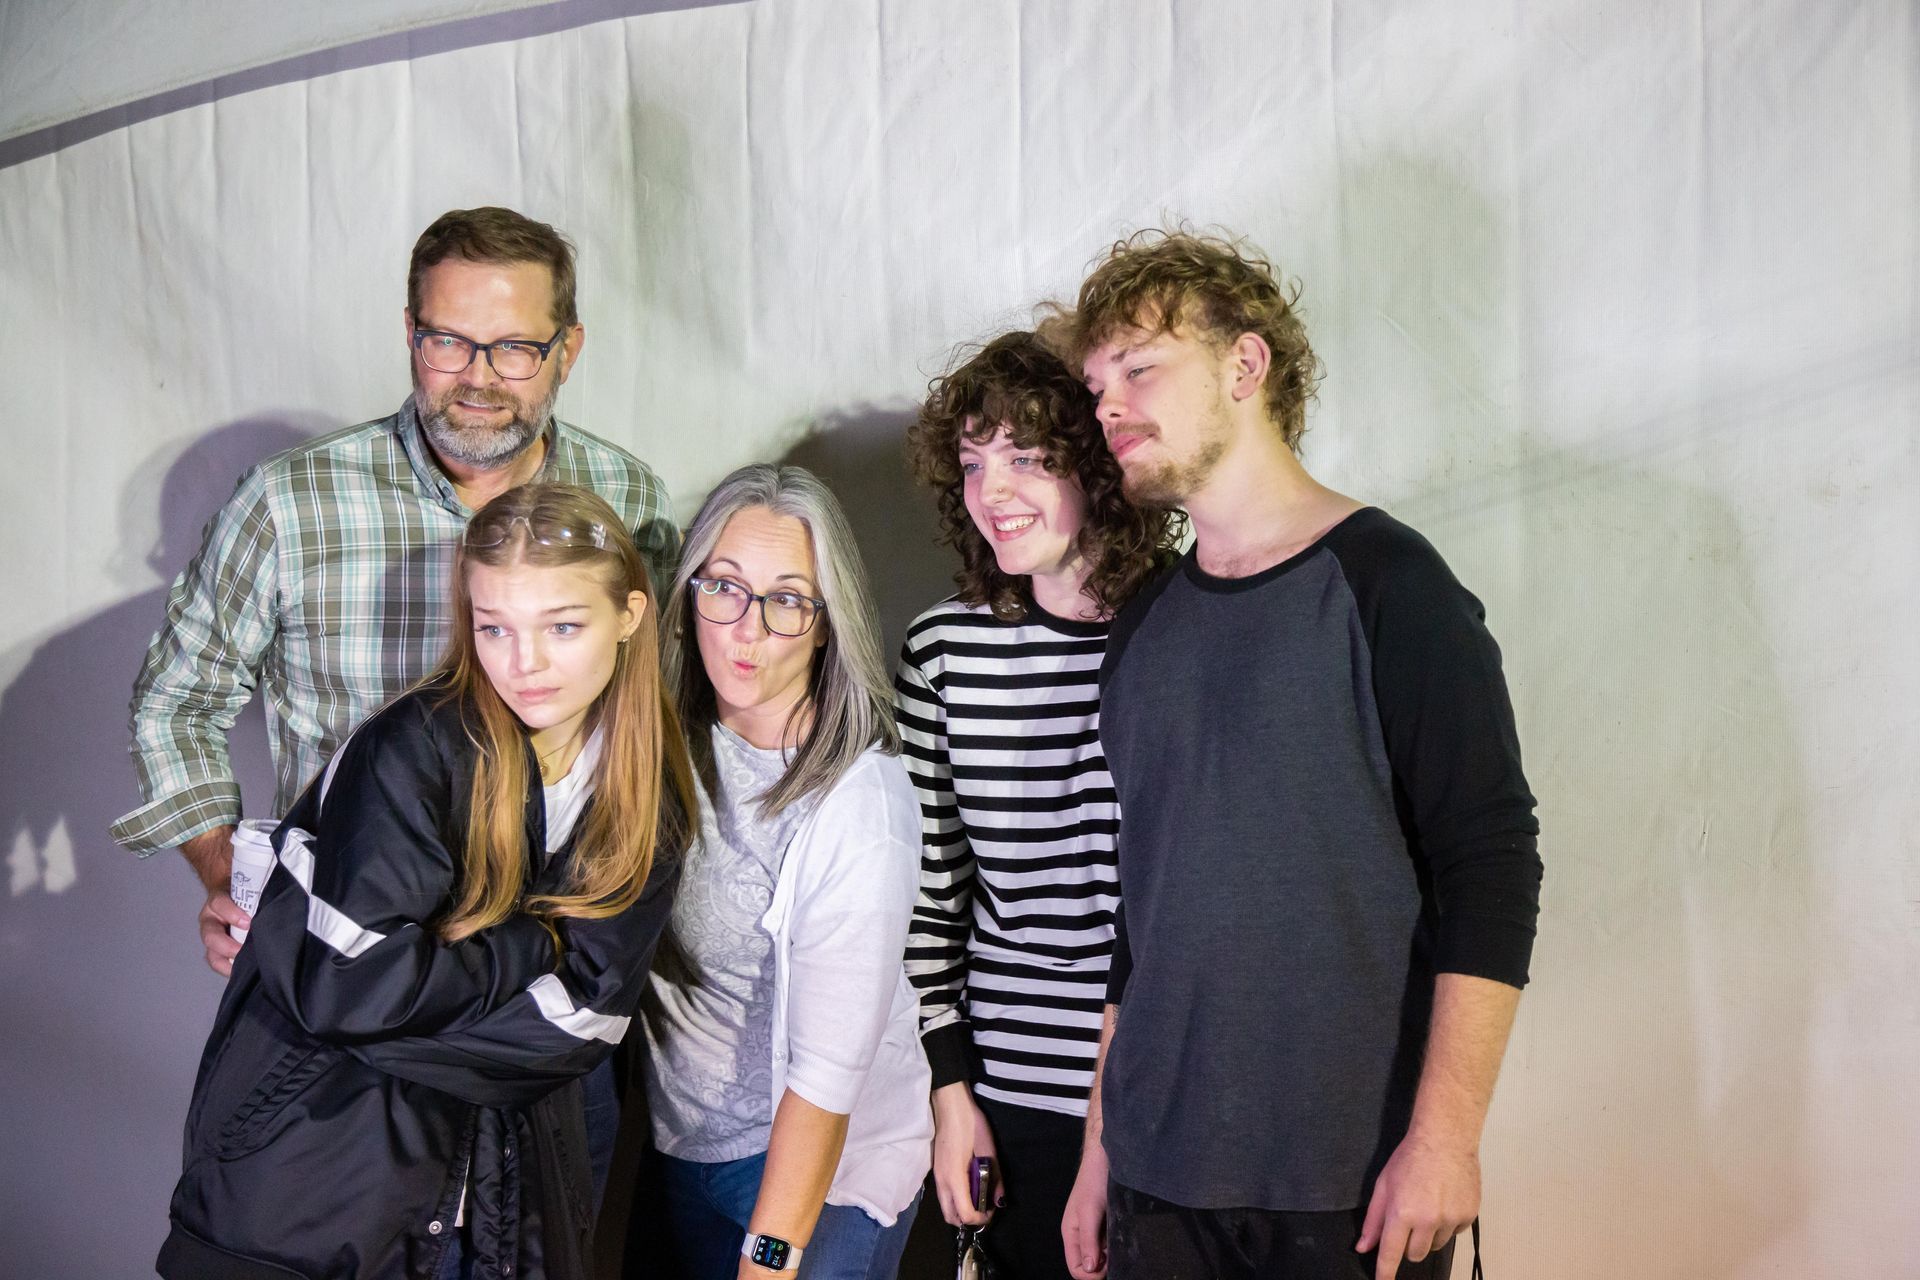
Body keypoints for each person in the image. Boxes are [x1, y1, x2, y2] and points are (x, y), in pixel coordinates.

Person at [1053, 230, 1544, 1280]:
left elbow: (1492, 863)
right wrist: (1100, 1152)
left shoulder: (1390, 587)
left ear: (1246, 365)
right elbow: (1143, 918)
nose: (1109, 406)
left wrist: (1446, 1140)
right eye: (1098, 386)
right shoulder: (1143, 627)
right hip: (1156, 1179)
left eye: (1140, 367)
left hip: (1349, 1186)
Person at [112, 205, 677, 981]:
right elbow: (176, 704)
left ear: (567, 349)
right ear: (411, 332)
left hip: (558, 963)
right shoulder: (289, 502)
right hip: (341, 958)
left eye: (513, 347)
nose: (478, 377)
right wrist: (229, 878)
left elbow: (654, 709)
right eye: (448, 340)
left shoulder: (627, 499)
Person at [156, 483, 698, 1280]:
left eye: (564, 626)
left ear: (630, 616)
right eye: (495, 628)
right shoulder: (412, 749)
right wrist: (527, 947)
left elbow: (577, 1027)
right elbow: (351, 987)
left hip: (507, 1193)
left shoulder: (648, 794)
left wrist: (365, 993)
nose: (527, 663)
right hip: (318, 1170)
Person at [895, 331, 1181, 1280]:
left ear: (1096, 464)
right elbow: (932, 901)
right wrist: (951, 1092)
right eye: (975, 464)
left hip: (1171, 1093)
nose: (994, 493)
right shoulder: (943, 652)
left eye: (1027, 458)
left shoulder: (1192, 628)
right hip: (1013, 1101)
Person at [639, 463, 931, 1279]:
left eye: (787, 599)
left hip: (817, 1169)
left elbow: (828, 1077)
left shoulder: (858, 804)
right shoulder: (658, 743)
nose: (748, 628)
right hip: (683, 1151)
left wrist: (770, 1258)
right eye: (724, 587)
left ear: (826, 622)